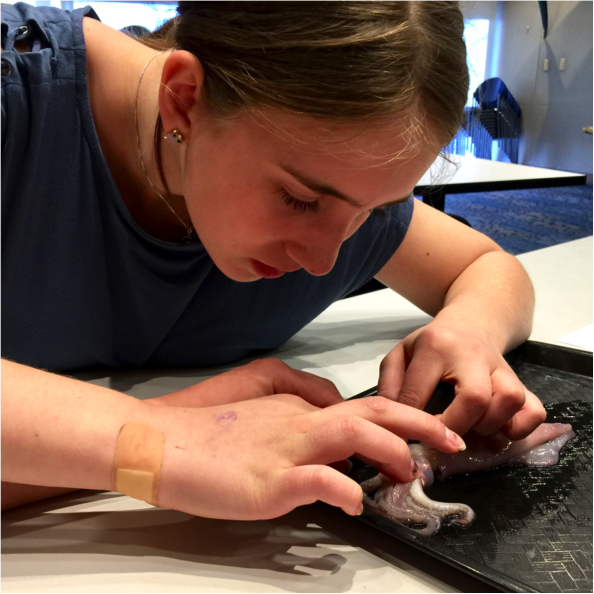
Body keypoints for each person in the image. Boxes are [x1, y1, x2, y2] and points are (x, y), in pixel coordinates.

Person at [0, 0, 545, 517]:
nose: (324, 261)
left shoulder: (340, 184)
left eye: (376, 209)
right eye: (300, 199)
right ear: (185, 98)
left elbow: (487, 266)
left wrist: (469, 330)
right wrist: (169, 436)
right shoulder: (20, 98)